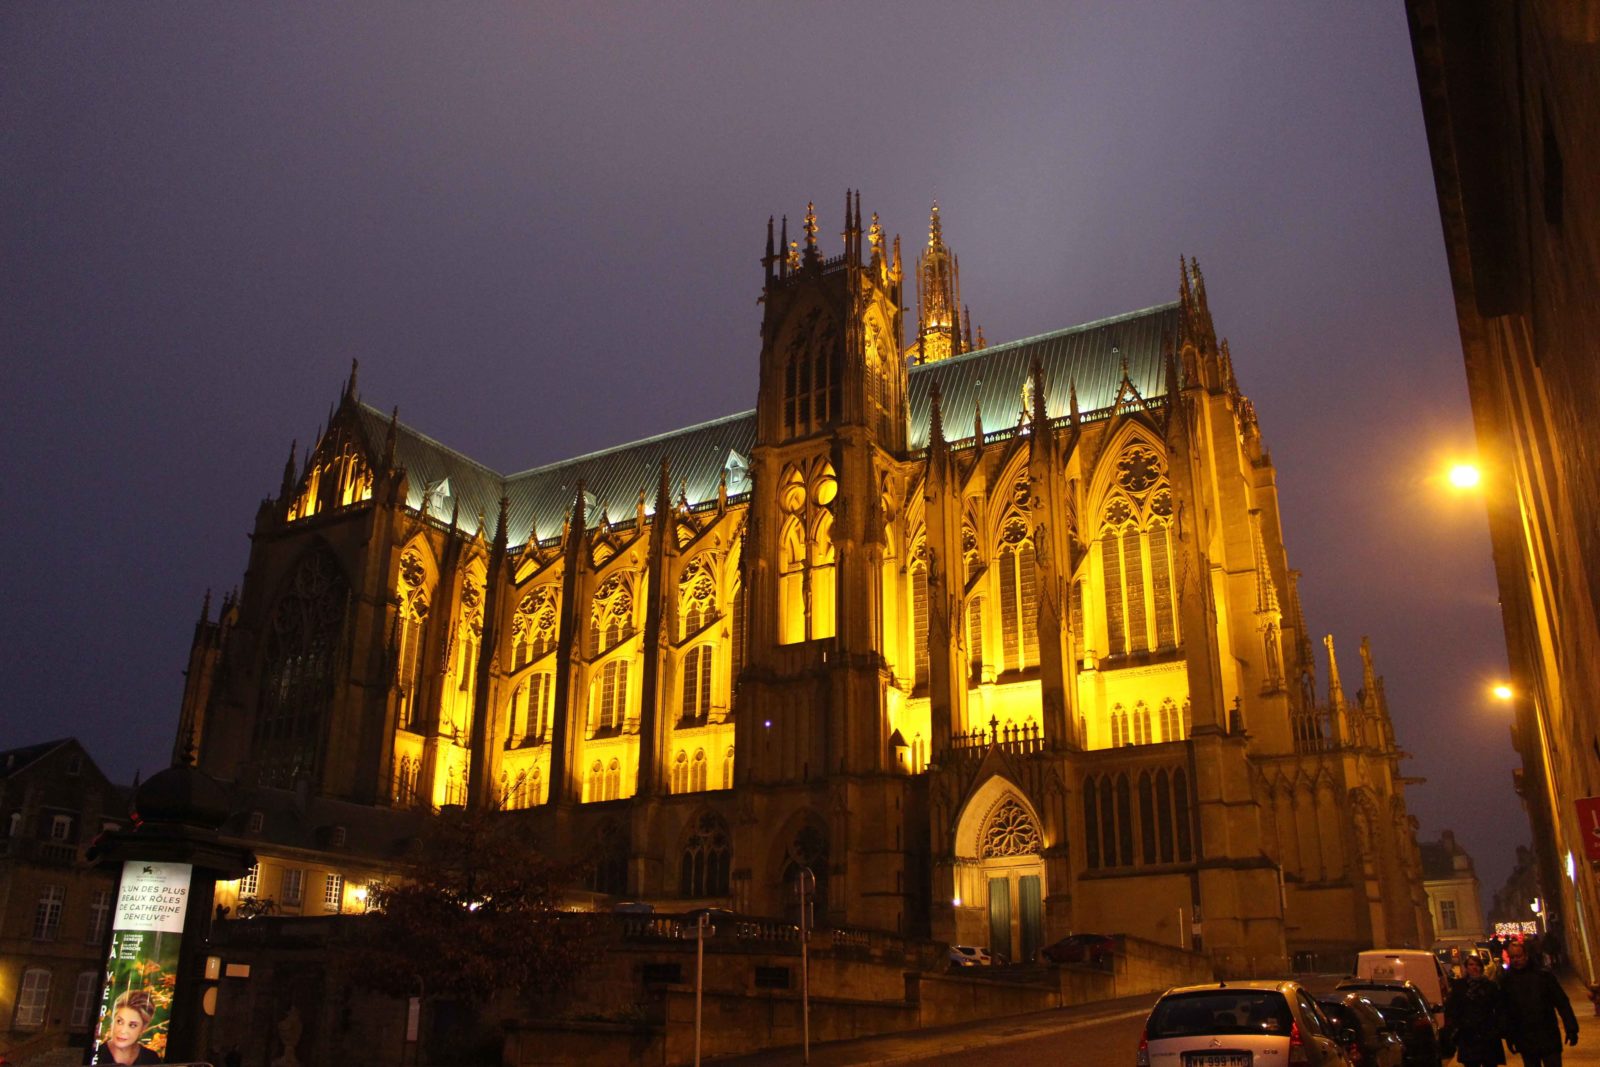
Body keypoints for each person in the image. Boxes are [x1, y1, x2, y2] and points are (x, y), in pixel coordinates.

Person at [1502, 939, 1579, 1067]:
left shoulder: (1543, 976)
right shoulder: (1507, 981)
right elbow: (1506, 1010)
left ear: (1526, 956)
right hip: (1525, 1038)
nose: (1516, 960)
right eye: (1512, 957)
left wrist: (1571, 1028)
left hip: (1548, 1035)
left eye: (1519, 956)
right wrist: (1510, 1036)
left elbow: (1561, 1002)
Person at [1446, 952, 1509, 1066]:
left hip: (1488, 1034)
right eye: (1471, 965)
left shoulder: (1490, 986)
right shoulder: (1460, 986)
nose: (1474, 967)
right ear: (1466, 967)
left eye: (1477, 965)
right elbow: (1453, 1007)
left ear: (1481, 967)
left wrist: (1497, 1028)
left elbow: (1499, 1007)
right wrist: (1458, 1025)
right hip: (1468, 1035)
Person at [91, 988, 162, 1064]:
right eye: (119, 1021)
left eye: (132, 1025)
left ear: (143, 1028)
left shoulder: (151, 1059)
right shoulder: (95, 1055)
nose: (123, 1031)